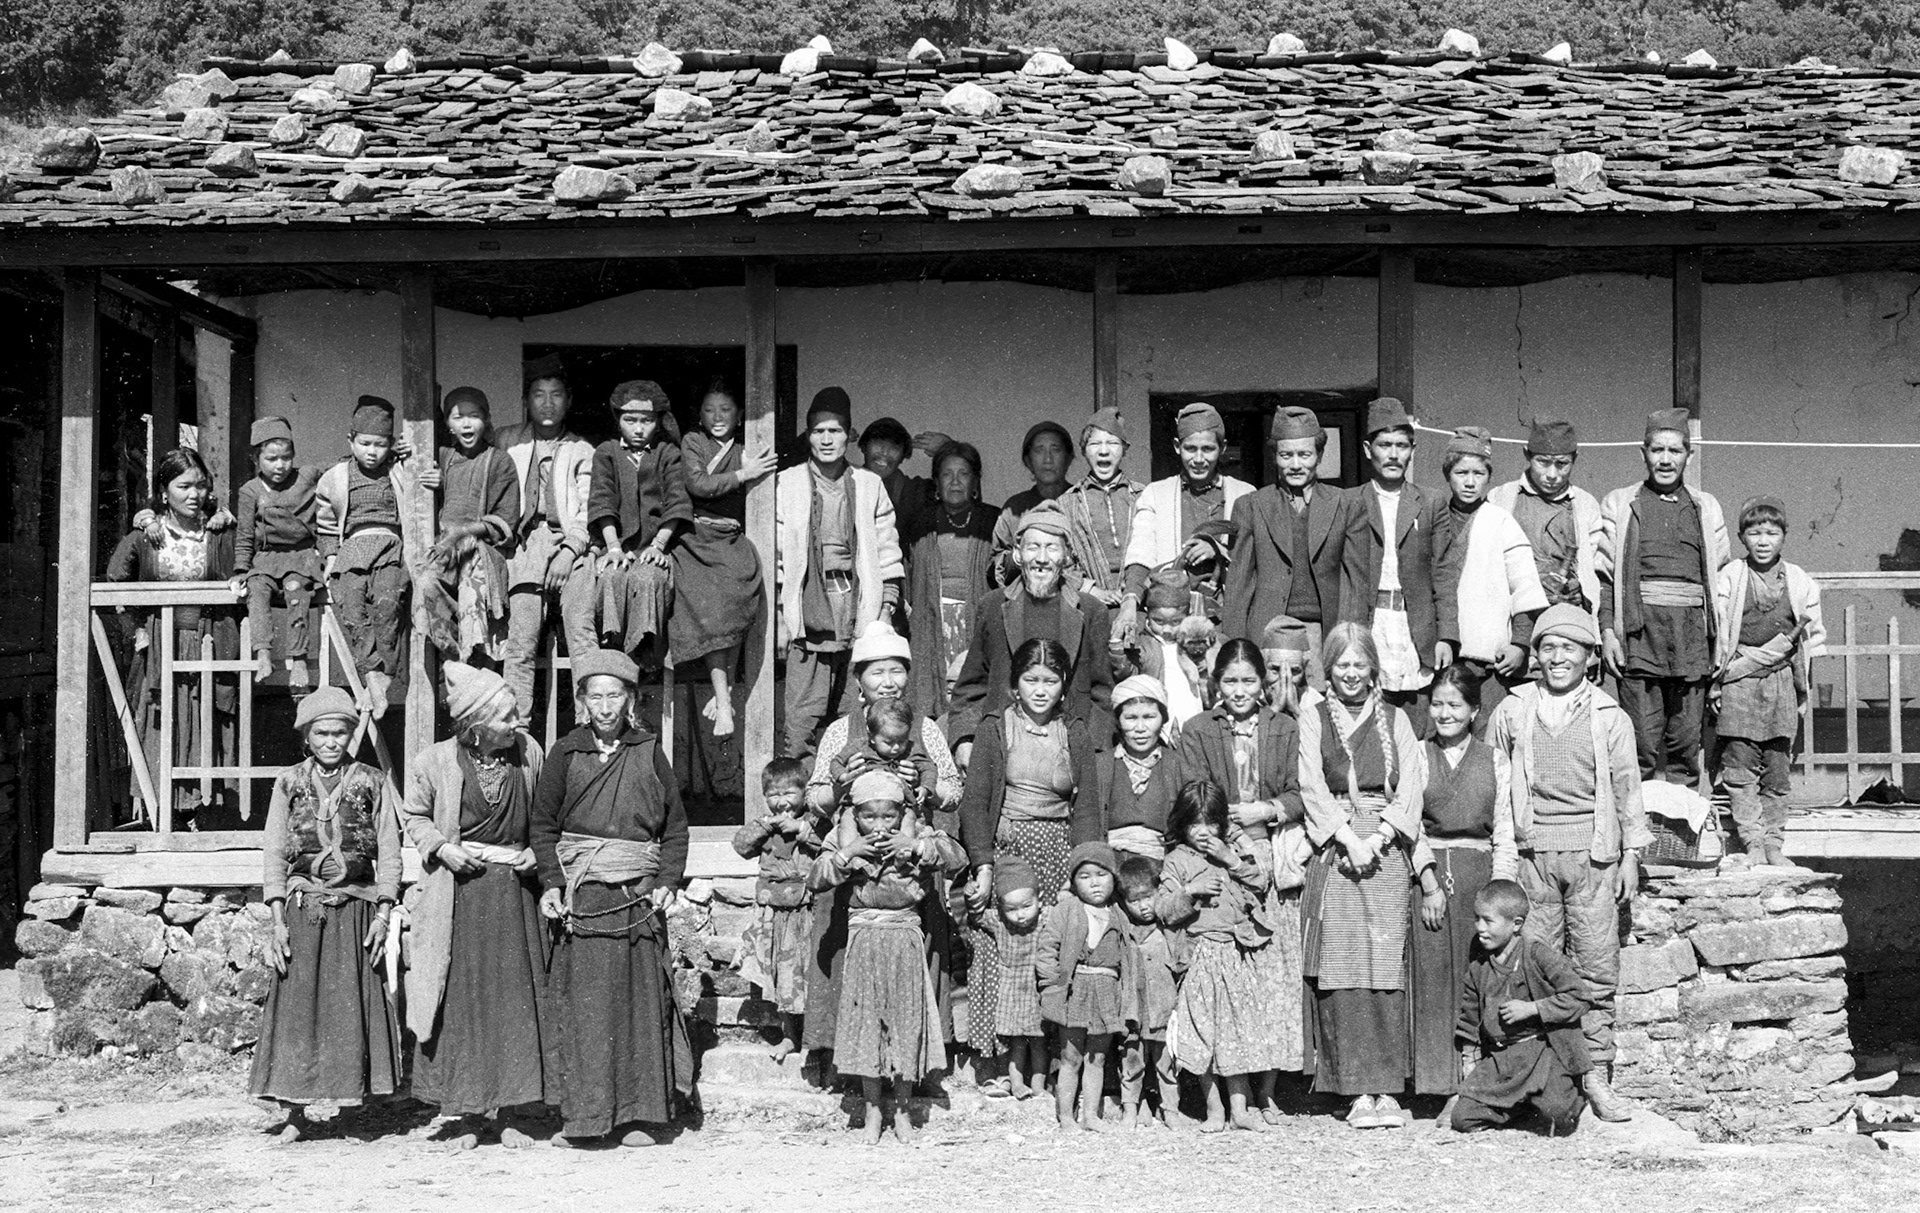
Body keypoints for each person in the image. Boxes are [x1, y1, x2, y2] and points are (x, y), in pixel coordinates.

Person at [1485, 603, 1649, 1123]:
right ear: (1535, 656)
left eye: (1569, 649)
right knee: (1536, 973)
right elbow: (1499, 792)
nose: (1558, 658)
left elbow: (1627, 791)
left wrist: (1629, 856)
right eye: (1548, 648)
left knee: (1596, 972)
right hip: (1533, 859)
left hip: (1593, 859)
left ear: (1589, 657)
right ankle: (1541, 1083)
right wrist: (1504, 862)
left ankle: (1596, 1077)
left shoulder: (1609, 717)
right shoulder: (1513, 711)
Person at [530, 648, 693, 1147]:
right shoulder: (565, 752)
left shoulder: (647, 750)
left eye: (614, 696)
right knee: (584, 1012)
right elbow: (543, 824)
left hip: (636, 899)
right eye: (595, 696)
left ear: (629, 701)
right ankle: (584, 1120)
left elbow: (676, 828)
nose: (604, 706)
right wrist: (553, 884)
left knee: (640, 1007)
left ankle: (640, 1118)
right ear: (582, 701)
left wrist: (666, 881)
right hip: (584, 900)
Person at [400, 661, 554, 1147]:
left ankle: (509, 1111)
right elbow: (416, 818)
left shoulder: (529, 753)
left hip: (515, 897)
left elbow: (548, 816)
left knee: (513, 1004)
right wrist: (441, 848)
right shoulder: (434, 761)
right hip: (459, 900)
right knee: (462, 1003)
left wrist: (538, 852)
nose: (516, 725)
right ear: (475, 724)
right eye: (506, 718)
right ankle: (466, 1113)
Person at [800, 620, 963, 1057]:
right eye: (876, 672)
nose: (888, 682)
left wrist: (925, 786)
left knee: (919, 953)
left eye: (896, 671)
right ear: (858, 680)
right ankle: (846, 1058)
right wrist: (838, 787)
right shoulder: (840, 731)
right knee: (843, 955)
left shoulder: (924, 729)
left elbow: (952, 791)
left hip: (909, 864)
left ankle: (918, 1058)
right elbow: (815, 798)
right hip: (854, 864)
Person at [1297, 622, 1434, 1130]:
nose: (1351, 674)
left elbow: (1412, 789)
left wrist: (1377, 839)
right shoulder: (1313, 719)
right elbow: (1311, 785)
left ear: (1374, 669)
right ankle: (1354, 1090)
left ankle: (1386, 1088)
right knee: (1343, 965)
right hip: (1337, 851)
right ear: (1328, 671)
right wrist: (1347, 839)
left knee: (1384, 965)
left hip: (1386, 852)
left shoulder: (1396, 719)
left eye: (1359, 665)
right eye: (1341, 666)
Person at [249, 686, 402, 1140]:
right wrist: (276, 921)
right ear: (307, 736)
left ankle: (351, 1109)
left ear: (351, 735)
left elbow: (390, 852)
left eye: (340, 732)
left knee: (349, 1008)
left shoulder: (373, 781)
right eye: (322, 733)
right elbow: (275, 851)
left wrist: (383, 911)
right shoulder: (289, 782)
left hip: (356, 910)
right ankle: (295, 1112)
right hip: (302, 910)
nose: (332, 741)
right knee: (298, 1008)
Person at [1176, 640, 1309, 1103]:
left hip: (1272, 851)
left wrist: (1265, 810)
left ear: (1264, 682)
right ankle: (1231, 1084)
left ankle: (1268, 1086)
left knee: (1271, 974)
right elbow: (1195, 791)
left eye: (1248, 681)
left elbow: (1299, 792)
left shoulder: (1284, 727)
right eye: (1229, 681)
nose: (1238, 690)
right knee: (1232, 977)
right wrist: (1228, 828)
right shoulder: (1197, 729)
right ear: (1216, 683)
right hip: (1216, 849)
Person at [808, 769, 967, 1145]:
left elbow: (956, 856)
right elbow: (815, 878)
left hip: (905, 939)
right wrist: (847, 854)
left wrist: (917, 848)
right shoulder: (843, 839)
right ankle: (873, 1110)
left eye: (888, 816)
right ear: (854, 814)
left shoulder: (917, 835)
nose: (878, 824)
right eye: (869, 816)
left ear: (901, 813)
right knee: (868, 1025)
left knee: (905, 1023)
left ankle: (901, 1109)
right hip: (864, 939)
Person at [107, 447, 241, 826]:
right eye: (184, 486)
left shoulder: (217, 531)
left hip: (208, 640)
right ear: (164, 491)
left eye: (200, 485)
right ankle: (160, 810)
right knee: (161, 719)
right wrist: (133, 630)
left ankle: (205, 810)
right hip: (161, 642)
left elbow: (244, 564)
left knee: (206, 719)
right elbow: (116, 577)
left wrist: (226, 522)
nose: (193, 494)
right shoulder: (147, 533)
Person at [1598, 407, 1731, 785]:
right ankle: (1634, 837)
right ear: (1644, 453)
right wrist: (1608, 631)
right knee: (1637, 745)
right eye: (1658, 450)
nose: (1666, 459)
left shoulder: (1705, 506)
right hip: (1640, 640)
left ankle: (1679, 840)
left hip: (1691, 642)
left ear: (1689, 455)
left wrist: (1718, 640)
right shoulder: (1622, 503)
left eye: (1675, 451)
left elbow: (1720, 582)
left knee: (1686, 748)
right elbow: (1606, 577)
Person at [776, 387, 905, 758]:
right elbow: (779, 555)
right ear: (808, 435)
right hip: (808, 615)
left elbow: (886, 551)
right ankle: (803, 809)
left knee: (855, 718)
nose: (827, 439)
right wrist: (783, 618)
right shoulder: (788, 484)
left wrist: (884, 610)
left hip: (856, 609)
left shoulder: (868, 485)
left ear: (849, 435)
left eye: (835, 431)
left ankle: (849, 805)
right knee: (801, 722)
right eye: (818, 431)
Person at [1156, 779, 1291, 1133]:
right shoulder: (1176, 861)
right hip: (1200, 956)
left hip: (1236, 954)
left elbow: (1259, 885)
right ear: (1182, 825)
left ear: (1222, 824)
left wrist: (1229, 858)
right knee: (1205, 1036)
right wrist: (1190, 891)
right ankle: (1215, 1111)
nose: (1203, 832)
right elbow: (1165, 909)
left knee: (1239, 1035)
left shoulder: (1230, 854)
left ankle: (1241, 1111)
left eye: (1211, 824)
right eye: (1194, 824)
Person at [1410, 664, 1517, 1100]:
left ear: (1474, 710)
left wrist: (1499, 896)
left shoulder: (1494, 759)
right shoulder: (1418, 753)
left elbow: (1505, 830)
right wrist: (1428, 881)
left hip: (1478, 876)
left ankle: (1479, 1081)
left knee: (1479, 978)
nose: (1444, 713)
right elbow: (1409, 824)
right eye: (1437, 704)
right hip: (1431, 880)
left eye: (1455, 704)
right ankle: (1434, 1083)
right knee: (1433, 978)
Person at [949, 499, 1115, 764]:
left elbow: (1102, 693)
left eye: (1052, 548)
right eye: (1033, 547)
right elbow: (971, 685)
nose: (1041, 559)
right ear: (1017, 553)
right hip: (1004, 751)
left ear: (1067, 556)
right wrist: (964, 740)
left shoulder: (1091, 611)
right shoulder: (993, 606)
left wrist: (1090, 752)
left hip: (1067, 754)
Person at [1711, 496, 1828, 866]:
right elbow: (1717, 635)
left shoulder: (1799, 580)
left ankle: (1775, 844)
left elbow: (1811, 643)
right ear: (1742, 537)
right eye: (1754, 532)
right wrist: (1717, 683)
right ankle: (1753, 843)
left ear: (1783, 537)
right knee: (1740, 766)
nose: (1763, 541)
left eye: (1771, 533)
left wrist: (1802, 691)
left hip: (1780, 681)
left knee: (1777, 769)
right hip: (1739, 680)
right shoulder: (1729, 577)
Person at [958, 637, 1102, 912]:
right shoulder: (995, 729)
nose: (1040, 691)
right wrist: (984, 867)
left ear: (1063, 687)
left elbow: (1086, 809)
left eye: (1050, 682)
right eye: (1030, 680)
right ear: (1015, 684)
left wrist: (1080, 869)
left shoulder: (1075, 732)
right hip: (1008, 853)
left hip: (1059, 854)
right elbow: (975, 804)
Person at [1339, 397, 1455, 727]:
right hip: (1369, 625)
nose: (1393, 454)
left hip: (1413, 625)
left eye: (1401, 445)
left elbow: (1444, 572)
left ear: (1412, 450)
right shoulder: (1348, 502)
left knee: (1417, 720)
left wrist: (1446, 634)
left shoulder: (1430, 502)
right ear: (1367, 449)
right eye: (1384, 444)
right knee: (1367, 717)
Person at [496, 354, 599, 720]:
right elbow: (464, 453)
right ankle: (516, 725)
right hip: (525, 547)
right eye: (539, 394)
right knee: (521, 639)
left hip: (571, 545)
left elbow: (589, 509)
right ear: (526, 400)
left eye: (556, 394)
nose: (547, 402)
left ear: (568, 400)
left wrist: (570, 550)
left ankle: (588, 722)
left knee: (581, 632)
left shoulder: (582, 449)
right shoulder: (508, 441)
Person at [671, 381, 774, 741]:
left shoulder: (747, 449)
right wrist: (743, 474)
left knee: (739, 597)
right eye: (710, 410)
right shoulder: (693, 443)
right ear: (700, 415)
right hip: (697, 540)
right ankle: (723, 698)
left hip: (730, 538)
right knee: (714, 608)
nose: (718, 417)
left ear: (741, 415)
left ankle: (725, 691)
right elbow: (698, 484)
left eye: (726, 410)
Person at [1450, 880, 1592, 1136]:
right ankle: (1522, 1107)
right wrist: (1470, 1067)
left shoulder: (1538, 954)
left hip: (1543, 1054)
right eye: (1477, 919)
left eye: (1488, 921)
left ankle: (1568, 1095)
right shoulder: (1478, 968)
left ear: (1516, 924)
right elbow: (1469, 1021)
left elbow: (1580, 996)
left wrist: (1533, 1008)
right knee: (1463, 1119)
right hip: (1503, 1060)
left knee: (1559, 1116)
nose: (1480, 928)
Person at [1223, 404, 1348, 675]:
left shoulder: (1345, 504)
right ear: (1274, 456)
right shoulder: (1251, 506)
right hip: (1267, 633)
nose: (1295, 465)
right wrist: (1235, 649)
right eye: (1286, 455)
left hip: (1322, 634)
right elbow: (1239, 583)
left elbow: (1356, 581)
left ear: (1320, 454)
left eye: (1304, 454)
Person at [1436, 427, 1547, 730]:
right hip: (1443, 655)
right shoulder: (1436, 519)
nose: (1470, 482)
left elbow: (1525, 590)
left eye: (1478, 473)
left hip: (1489, 662)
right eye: (1461, 472)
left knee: (1489, 736)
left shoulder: (1501, 522)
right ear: (1448, 474)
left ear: (1489, 476)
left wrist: (1520, 644)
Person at [317, 395, 419, 718]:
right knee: (351, 605)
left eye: (380, 444)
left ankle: (384, 674)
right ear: (351, 440)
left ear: (391, 444)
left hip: (390, 547)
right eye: (364, 443)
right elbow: (326, 523)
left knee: (388, 605)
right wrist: (331, 557)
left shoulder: (398, 471)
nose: (372, 452)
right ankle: (373, 674)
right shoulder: (337, 476)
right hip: (353, 549)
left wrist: (410, 454)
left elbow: (419, 483)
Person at [1120, 401, 1254, 626]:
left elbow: (1254, 557)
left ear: (1222, 448)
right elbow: (1141, 553)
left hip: (1227, 616)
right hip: (1172, 617)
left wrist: (1218, 549)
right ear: (1176, 446)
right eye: (1190, 449)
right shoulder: (1156, 494)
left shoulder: (1245, 495)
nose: (1199, 459)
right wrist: (1129, 602)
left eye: (1208, 449)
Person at [588, 380, 691, 664]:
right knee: (611, 577)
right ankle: (612, 652)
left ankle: (645, 656)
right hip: (617, 547)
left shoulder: (668, 454)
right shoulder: (606, 452)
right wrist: (613, 549)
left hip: (658, 550)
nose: (638, 428)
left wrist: (658, 546)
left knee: (648, 578)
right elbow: (602, 502)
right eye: (629, 420)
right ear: (618, 420)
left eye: (646, 420)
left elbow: (677, 502)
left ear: (657, 422)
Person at [416, 386, 520, 664]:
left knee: (471, 596)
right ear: (448, 424)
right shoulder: (444, 457)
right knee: (426, 584)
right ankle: (454, 657)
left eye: (474, 416)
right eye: (457, 417)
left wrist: (466, 531)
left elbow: (506, 519)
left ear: (485, 420)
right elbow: (413, 457)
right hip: (445, 550)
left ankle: (474, 663)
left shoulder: (499, 461)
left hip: (479, 551)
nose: (466, 423)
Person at [904, 441, 1001, 724]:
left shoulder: (992, 520)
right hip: (931, 621)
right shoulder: (921, 521)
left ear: (975, 481)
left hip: (977, 621)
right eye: (947, 474)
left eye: (964, 474)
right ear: (936, 481)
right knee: (930, 694)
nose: (955, 481)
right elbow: (909, 573)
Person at [733, 757, 821, 1063]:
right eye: (773, 795)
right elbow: (741, 846)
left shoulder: (812, 823)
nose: (781, 802)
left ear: (804, 792)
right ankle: (788, 1036)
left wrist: (801, 829)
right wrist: (762, 825)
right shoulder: (764, 825)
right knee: (779, 975)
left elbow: (829, 846)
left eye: (789, 794)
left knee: (805, 975)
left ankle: (812, 1038)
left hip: (802, 914)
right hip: (772, 914)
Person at [1037, 841, 1129, 1132]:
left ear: (1114, 878)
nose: (1095, 883)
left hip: (1106, 991)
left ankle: (1091, 1115)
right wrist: (1052, 984)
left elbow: (1128, 957)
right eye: (1085, 876)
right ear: (1074, 882)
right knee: (1070, 1055)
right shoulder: (1067, 909)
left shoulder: (1119, 914)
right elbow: (1047, 947)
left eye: (1102, 875)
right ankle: (1066, 1116)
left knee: (1098, 1057)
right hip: (1075, 990)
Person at [231, 416, 322, 688]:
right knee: (257, 590)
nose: (280, 465)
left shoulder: (307, 476)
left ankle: (299, 660)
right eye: (271, 459)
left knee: (296, 590)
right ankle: (263, 654)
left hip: (301, 557)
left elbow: (346, 463)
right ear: (256, 458)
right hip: (267, 560)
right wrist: (240, 570)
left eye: (286, 457)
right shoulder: (250, 491)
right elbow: (245, 534)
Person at [1487, 417, 1603, 616]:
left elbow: (1594, 568)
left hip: (1567, 615)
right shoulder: (1501, 498)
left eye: (1562, 464)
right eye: (1543, 462)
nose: (1552, 474)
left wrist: (1579, 590)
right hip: (1513, 615)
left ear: (1575, 458)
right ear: (1527, 455)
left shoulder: (1585, 505)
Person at [970, 854, 1046, 1099]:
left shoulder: (1047, 918)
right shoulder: (1000, 921)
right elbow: (977, 916)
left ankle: (1039, 1086)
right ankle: (1016, 1083)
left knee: (1039, 1043)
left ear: (1040, 899)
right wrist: (972, 896)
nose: (1021, 915)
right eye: (1012, 909)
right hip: (1011, 991)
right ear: (1002, 907)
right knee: (1016, 1043)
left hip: (1038, 991)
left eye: (1026, 906)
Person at [1058, 408, 1148, 610]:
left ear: (1125, 449)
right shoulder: (1066, 503)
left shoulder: (1144, 497)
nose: (1104, 451)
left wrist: (1135, 591)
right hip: (1088, 606)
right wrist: (1091, 590)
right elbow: (1060, 560)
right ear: (1083, 450)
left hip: (1141, 604)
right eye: (1095, 443)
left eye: (1113, 443)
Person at [1116, 854, 1177, 1130]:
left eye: (1148, 897)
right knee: (1132, 1057)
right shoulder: (1122, 928)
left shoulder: (1169, 928)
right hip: (1133, 1011)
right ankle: (1131, 1107)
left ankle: (1170, 1109)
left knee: (1167, 1060)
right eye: (1134, 900)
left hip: (1164, 1007)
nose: (1143, 906)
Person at [1110, 567, 1210, 728]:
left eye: (1176, 622)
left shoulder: (1195, 642)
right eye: (1159, 621)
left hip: (1193, 713)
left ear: (1188, 616)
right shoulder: (1144, 644)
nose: (1167, 630)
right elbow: (1127, 674)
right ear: (1148, 614)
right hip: (1158, 720)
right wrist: (1117, 649)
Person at [1101, 675, 1184, 860]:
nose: (1140, 728)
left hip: (1163, 863)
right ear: (1118, 721)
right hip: (1108, 864)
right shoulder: (1101, 766)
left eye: (1149, 717)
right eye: (1130, 718)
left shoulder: (1177, 765)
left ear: (1163, 719)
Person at [990, 420, 1076, 585]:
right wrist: (1019, 557)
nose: (1048, 459)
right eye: (1039, 450)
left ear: (1068, 459)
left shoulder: (1081, 501)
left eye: (1056, 450)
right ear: (1028, 461)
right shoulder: (1014, 508)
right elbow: (995, 563)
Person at [859, 415, 937, 549]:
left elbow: (962, 497)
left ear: (902, 457)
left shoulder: (915, 492)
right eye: (878, 442)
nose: (884, 451)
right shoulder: (844, 484)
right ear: (864, 447)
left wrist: (948, 449)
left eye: (894, 447)